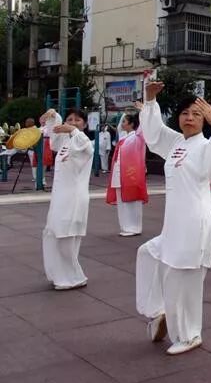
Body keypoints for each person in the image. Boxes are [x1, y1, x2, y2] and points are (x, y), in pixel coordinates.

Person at [136, 82, 211, 355]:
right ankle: (159, 312)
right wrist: (151, 100)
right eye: (185, 113)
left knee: (185, 284)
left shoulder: (208, 145)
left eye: (196, 114)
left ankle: (190, 335)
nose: (189, 118)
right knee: (149, 255)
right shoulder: (176, 142)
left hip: (195, 225)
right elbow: (153, 135)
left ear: (206, 119)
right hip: (174, 225)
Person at [41, 108, 94, 290]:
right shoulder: (65, 143)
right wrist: (53, 116)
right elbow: (54, 136)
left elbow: (82, 141)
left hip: (74, 198)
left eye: (77, 120)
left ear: (85, 124)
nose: (72, 122)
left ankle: (74, 277)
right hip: (59, 196)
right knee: (53, 233)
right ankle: (60, 275)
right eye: (69, 119)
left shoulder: (85, 143)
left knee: (67, 236)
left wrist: (71, 129)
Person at [106, 111, 148, 237]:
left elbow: (143, 127)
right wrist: (125, 114)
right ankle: (125, 227)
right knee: (122, 202)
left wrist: (143, 112)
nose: (121, 123)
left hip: (132, 174)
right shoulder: (124, 137)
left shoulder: (138, 136)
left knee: (133, 201)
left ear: (132, 124)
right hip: (119, 173)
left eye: (124, 121)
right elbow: (119, 128)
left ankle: (135, 227)